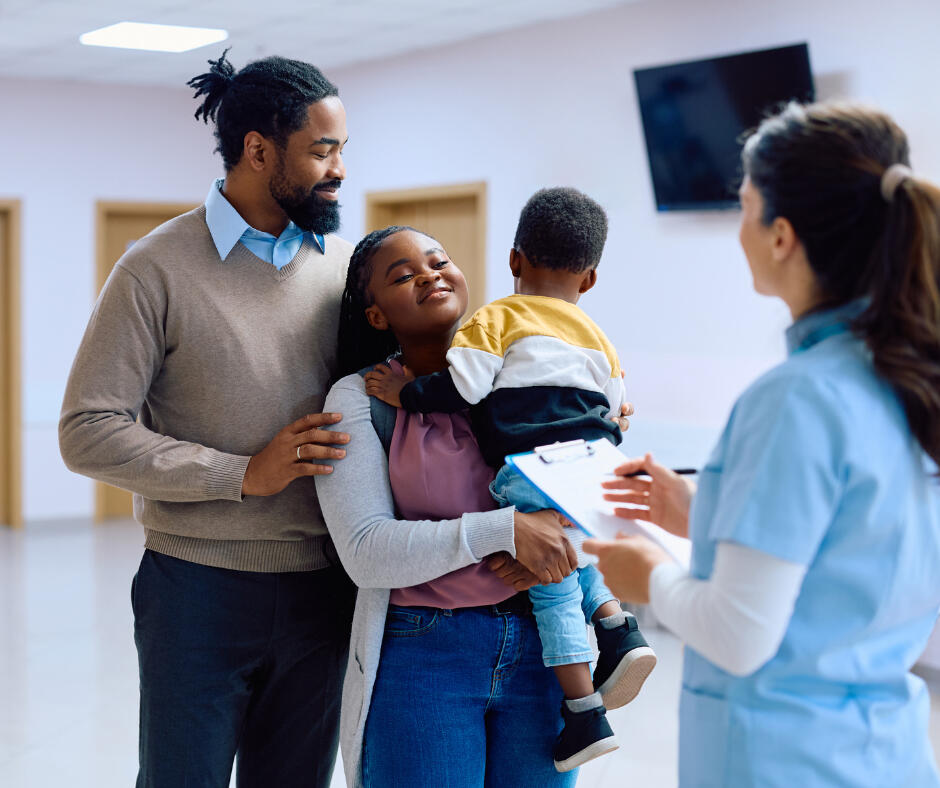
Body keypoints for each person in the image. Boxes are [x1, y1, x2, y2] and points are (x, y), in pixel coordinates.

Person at [584, 101, 940, 787]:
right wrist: (696, 513)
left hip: (784, 761)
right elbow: (852, 552)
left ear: (781, 236)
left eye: (744, 205)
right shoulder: (912, 380)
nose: (738, 227)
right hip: (884, 752)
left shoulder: (798, 399)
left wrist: (644, 574)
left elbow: (739, 636)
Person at [59, 51, 356, 787]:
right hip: (196, 590)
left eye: (343, 149)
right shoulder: (153, 268)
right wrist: (241, 474)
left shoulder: (345, 270)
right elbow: (87, 427)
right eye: (323, 150)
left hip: (326, 588)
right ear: (258, 150)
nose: (340, 168)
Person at [315, 224, 634, 787]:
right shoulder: (362, 398)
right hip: (423, 657)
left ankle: (617, 628)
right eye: (403, 275)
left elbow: (582, 507)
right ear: (376, 316)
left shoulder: (528, 369)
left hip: (543, 652)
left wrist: (551, 544)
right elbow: (366, 553)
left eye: (439, 261)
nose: (429, 274)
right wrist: (506, 531)